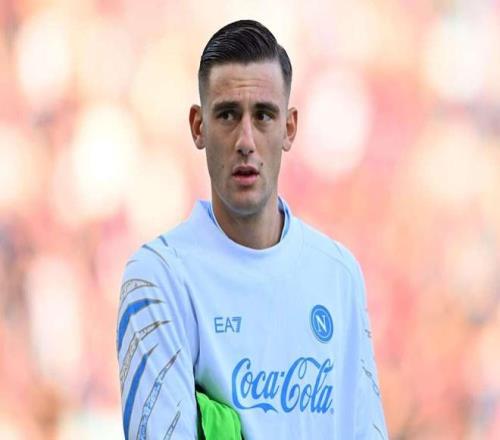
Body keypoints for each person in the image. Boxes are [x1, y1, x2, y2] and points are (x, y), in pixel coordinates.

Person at [117, 19, 388, 439]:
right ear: (198, 127)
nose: (246, 139)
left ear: (289, 128)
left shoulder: (338, 274)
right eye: (228, 115)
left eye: (263, 115)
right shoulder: (160, 278)